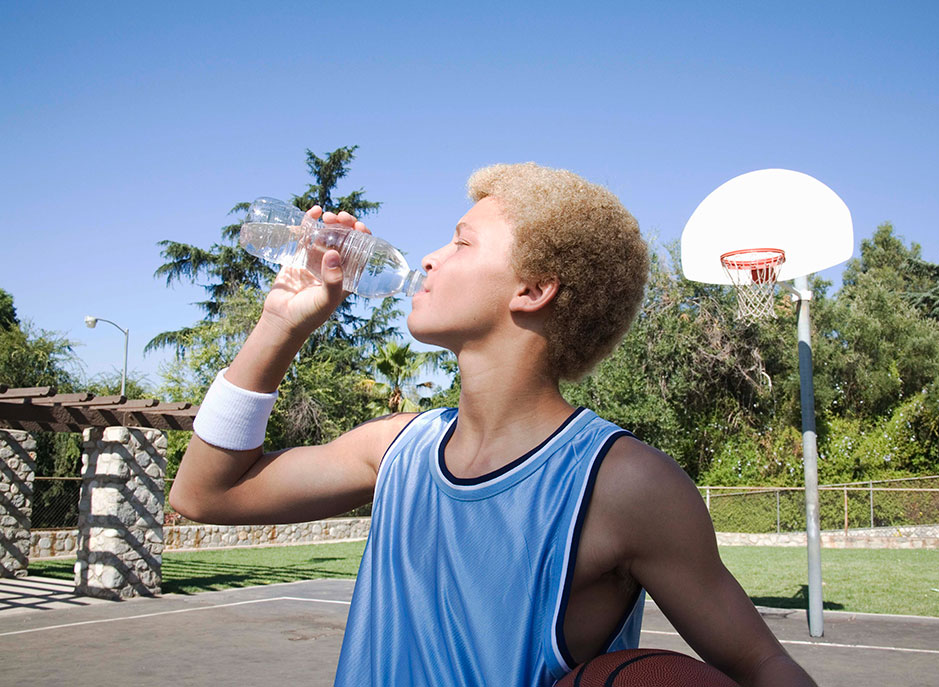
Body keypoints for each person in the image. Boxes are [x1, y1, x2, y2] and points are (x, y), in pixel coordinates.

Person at [171, 163, 817, 686]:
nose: (428, 257)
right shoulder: (396, 447)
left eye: (460, 240)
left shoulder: (624, 486)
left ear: (533, 288)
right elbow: (202, 494)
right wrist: (280, 324)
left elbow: (765, 664)